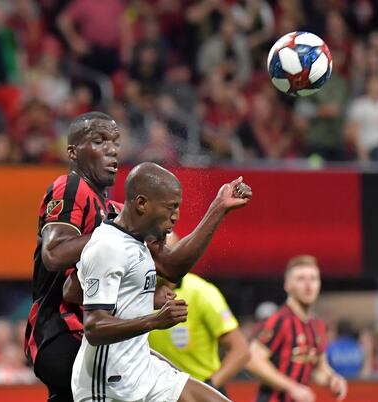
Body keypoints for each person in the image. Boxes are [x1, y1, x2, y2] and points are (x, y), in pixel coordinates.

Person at [25, 111, 178, 401]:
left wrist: (216, 210)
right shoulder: (70, 187)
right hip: (61, 331)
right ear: (73, 152)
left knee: (161, 375)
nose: (112, 149)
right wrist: (115, 233)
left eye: (115, 142)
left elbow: (170, 266)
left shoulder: (112, 209)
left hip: (89, 337)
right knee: (155, 382)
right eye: (99, 141)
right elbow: (54, 254)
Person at [72, 162, 252, 402]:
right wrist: (154, 320)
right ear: (142, 204)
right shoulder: (108, 247)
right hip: (108, 385)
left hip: (144, 371)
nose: (176, 215)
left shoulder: (141, 239)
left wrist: (219, 207)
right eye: (171, 207)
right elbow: (93, 328)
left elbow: (173, 268)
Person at [149, 237, 250, 396]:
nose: (159, 259)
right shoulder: (135, 292)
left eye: (167, 252)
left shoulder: (202, 292)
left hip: (196, 391)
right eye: (153, 252)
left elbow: (241, 351)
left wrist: (208, 386)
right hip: (155, 393)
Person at [247, 255, 348, 402]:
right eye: (301, 279)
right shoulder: (280, 320)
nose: (308, 285)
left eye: (313, 279)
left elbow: (318, 367)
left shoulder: (317, 325)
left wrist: (332, 379)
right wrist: (291, 387)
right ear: (287, 285)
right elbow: (252, 360)